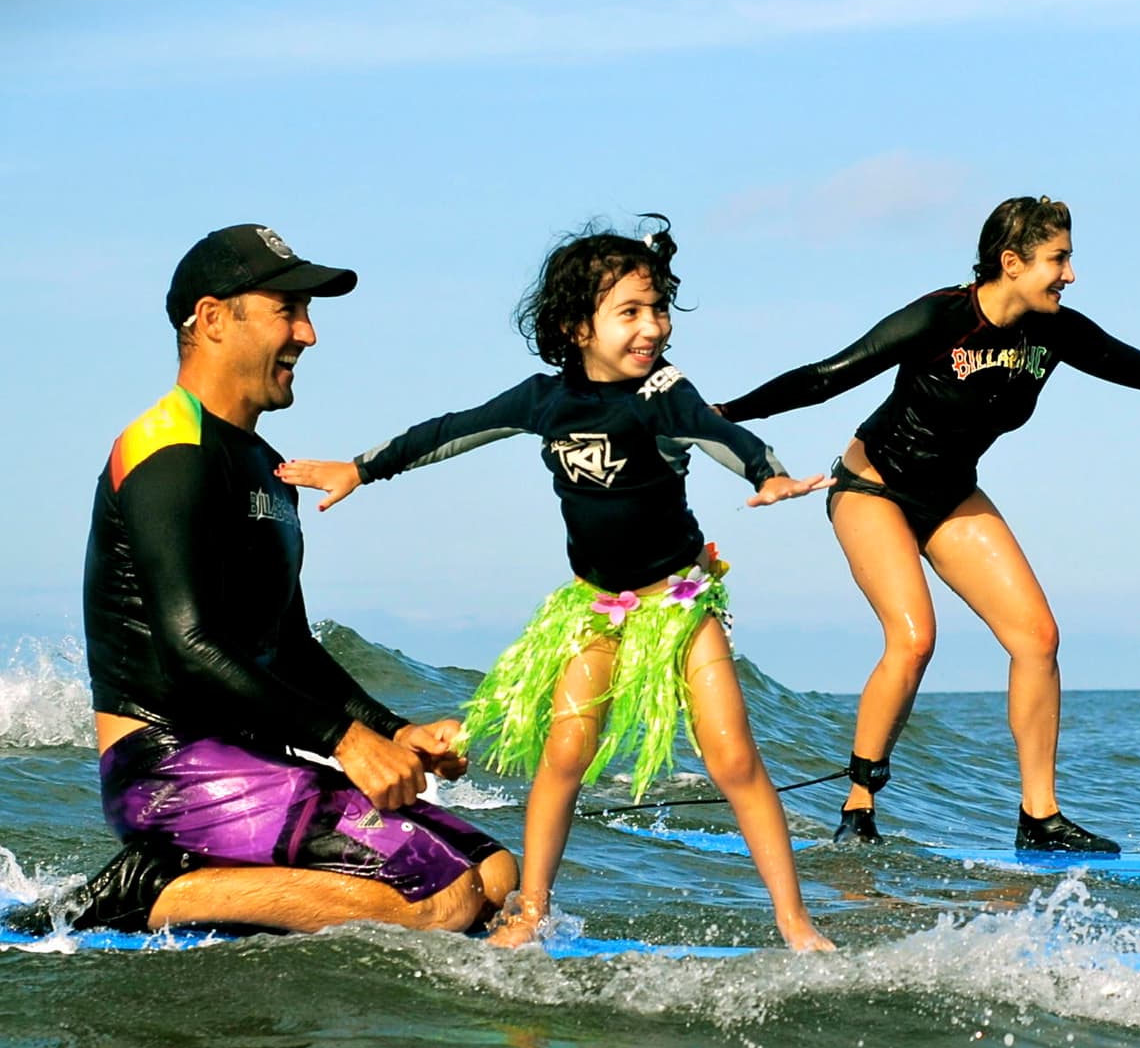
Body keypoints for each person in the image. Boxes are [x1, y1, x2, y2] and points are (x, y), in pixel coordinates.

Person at [715, 196, 1140, 852]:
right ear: (1011, 263)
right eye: (1058, 259)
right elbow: (825, 376)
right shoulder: (940, 317)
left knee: (1037, 637)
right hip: (873, 487)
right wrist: (722, 412)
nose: (1070, 275)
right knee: (915, 636)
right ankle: (859, 807)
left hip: (952, 494)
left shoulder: (1055, 333)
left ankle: (1039, 817)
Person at [277, 218, 833, 951]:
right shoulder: (545, 402)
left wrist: (769, 475)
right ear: (577, 326)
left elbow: (716, 432)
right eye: (630, 312)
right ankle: (532, 913)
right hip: (595, 603)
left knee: (731, 758)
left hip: (678, 600)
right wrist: (362, 467)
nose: (652, 328)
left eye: (658, 308)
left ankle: (795, 924)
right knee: (565, 757)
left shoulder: (663, 394)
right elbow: (451, 429)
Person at [58, 222, 518, 936]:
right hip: (167, 766)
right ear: (213, 319)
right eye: (288, 311)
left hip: (254, 759)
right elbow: (189, 645)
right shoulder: (166, 451)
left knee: (496, 877)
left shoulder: (266, 468)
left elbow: (291, 646)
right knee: (441, 902)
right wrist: (347, 742)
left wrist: (398, 731)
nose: (308, 335)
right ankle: (148, 894)